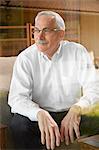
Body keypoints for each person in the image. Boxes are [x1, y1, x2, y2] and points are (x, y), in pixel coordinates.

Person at [8, 11, 99, 150]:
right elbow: (16, 98)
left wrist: (78, 108)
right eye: (36, 30)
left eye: (46, 30)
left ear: (61, 34)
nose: (39, 36)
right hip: (39, 117)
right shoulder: (25, 58)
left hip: (72, 113)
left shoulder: (78, 52)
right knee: (18, 125)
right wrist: (39, 113)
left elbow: (94, 88)